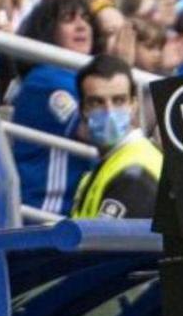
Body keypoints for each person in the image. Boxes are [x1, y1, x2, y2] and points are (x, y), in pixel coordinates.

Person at [11, 0, 100, 215]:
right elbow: (97, 130)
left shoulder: (82, 76)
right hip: (48, 214)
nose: (82, 26)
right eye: (69, 19)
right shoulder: (45, 79)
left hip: (75, 211)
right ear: (49, 29)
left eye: (86, 18)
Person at [70, 54, 163, 219]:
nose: (109, 112)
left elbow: (105, 243)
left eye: (119, 100)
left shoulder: (134, 175)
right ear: (83, 109)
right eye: (97, 102)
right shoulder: (113, 162)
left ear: (134, 105)